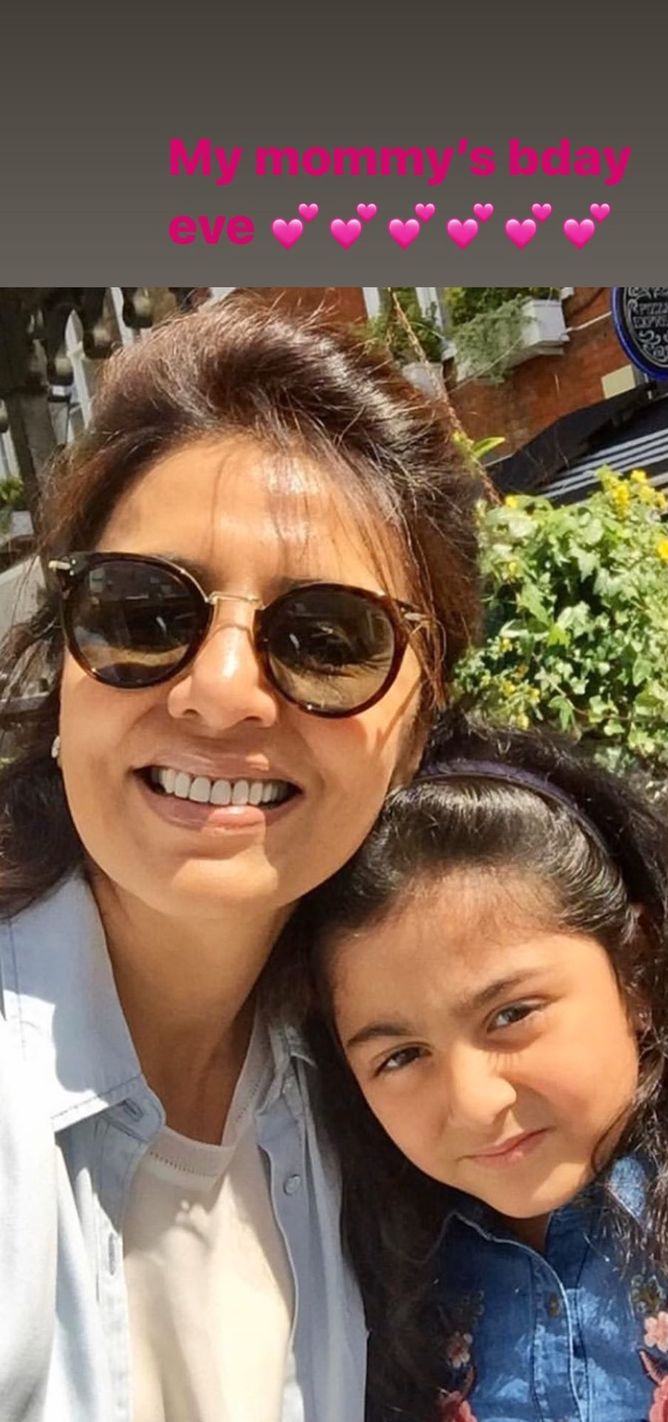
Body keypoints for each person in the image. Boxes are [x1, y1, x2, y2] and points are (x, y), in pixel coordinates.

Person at [0, 293, 483, 1421]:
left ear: (417, 732)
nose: (219, 692)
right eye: (142, 612)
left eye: (326, 638)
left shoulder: (397, 1089)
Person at [284, 714, 668, 1422]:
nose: (474, 1103)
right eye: (400, 1057)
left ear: (637, 969)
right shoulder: (368, 1286)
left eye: (511, 1015)